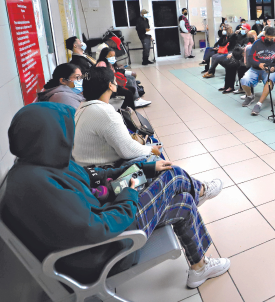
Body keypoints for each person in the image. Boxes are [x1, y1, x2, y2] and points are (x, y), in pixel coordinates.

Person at [1, 102, 229, 289]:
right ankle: (199, 189)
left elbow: (94, 177)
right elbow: (96, 228)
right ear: (52, 136)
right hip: (110, 248)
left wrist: (147, 170)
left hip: (107, 214)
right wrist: (128, 194)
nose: (70, 139)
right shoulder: (38, 186)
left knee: (183, 202)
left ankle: (199, 268)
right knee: (174, 177)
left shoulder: (42, 162)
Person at [73, 68, 160, 166]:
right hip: (103, 170)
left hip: (85, 166)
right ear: (111, 85)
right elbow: (127, 150)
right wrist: (151, 150)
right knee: (156, 153)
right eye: (115, 80)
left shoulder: (83, 107)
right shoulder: (105, 113)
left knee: (151, 142)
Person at [241, 26, 275, 115]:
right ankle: (250, 96)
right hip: (255, 68)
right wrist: (259, 64)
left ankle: (259, 104)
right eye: (267, 37)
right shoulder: (257, 43)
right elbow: (250, 58)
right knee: (244, 80)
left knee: (269, 83)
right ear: (264, 34)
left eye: (271, 38)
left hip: (270, 70)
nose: (269, 40)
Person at [221, 30, 257, 94]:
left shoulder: (257, 42)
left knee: (235, 66)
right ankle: (228, 85)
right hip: (242, 58)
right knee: (229, 65)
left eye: (251, 34)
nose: (249, 36)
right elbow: (240, 47)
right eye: (249, 34)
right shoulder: (245, 39)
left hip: (249, 62)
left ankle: (236, 87)